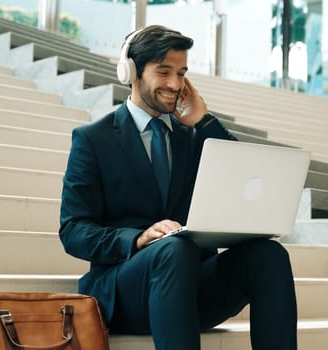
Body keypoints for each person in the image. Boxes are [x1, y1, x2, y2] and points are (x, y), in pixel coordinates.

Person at [59, 25, 297, 350]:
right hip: (126, 293)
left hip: (192, 292)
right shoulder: (93, 139)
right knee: (174, 248)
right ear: (131, 72)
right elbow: (73, 230)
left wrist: (204, 121)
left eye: (182, 73)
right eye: (164, 72)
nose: (175, 84)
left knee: (269, 255)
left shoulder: (193, 137)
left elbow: (242, 174)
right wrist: (139, 238)